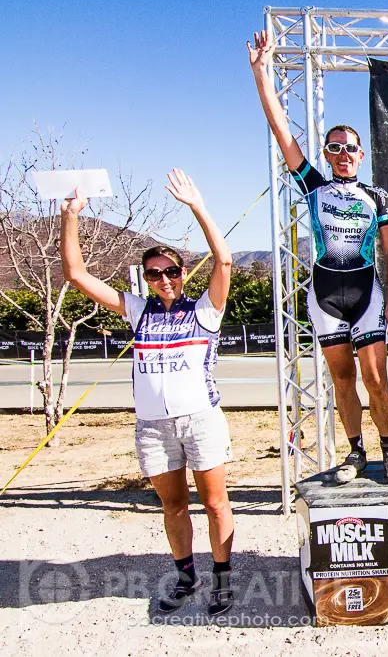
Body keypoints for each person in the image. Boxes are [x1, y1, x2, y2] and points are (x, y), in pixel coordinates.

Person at [60, 169, 235, 615]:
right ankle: (186, 576)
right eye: (154, 273)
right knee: (174, 507)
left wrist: (197, 205)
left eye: (171, 271)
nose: (164, 279)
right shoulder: (137, 311)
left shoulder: (204, 311)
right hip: (153, 427)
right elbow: (76, 274)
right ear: (145, 278)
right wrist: (71, 216)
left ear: (181, 272)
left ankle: (222, 579)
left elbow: (225, 261)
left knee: (215, 502)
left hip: (200, 419)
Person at [248, 30, 388, 483]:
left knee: (376, 379)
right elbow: (282, 131)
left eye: (348, 148)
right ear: (326, 154)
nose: (340, 154)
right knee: (341, 380)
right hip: (324, 296)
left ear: (360, 154)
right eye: (332, 147)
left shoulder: (377, 196)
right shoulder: (313, 186)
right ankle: (355, 453)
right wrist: (262, 74)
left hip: (366, 293)